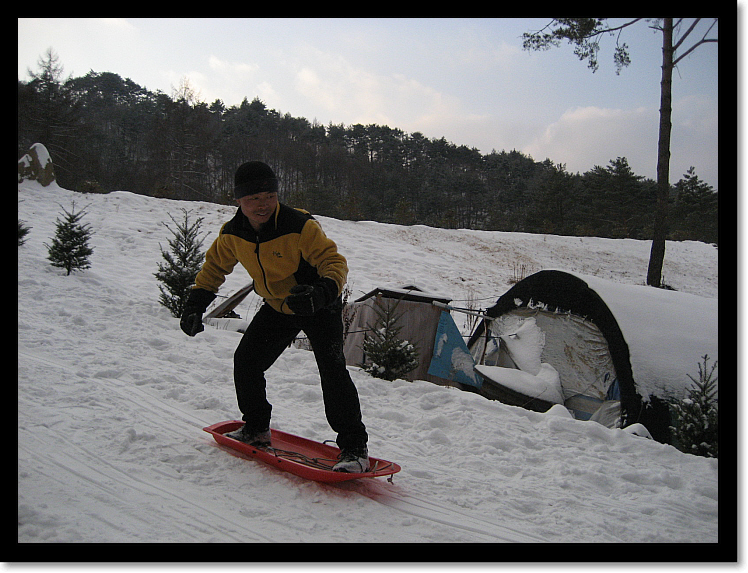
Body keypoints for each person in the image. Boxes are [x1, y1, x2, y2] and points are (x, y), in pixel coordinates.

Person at [180, 161, 369, 473]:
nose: (262, 205)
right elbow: (214, 268)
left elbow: (333, 261)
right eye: (253, 198)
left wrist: (321, 292)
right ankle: (255, 428)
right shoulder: (232, 234)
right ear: (238, 200)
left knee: (333, 373)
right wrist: (194, 305)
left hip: (317, 305)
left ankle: (354, 448)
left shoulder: (298, 225)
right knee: (247, 362)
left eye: (269, 196)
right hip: (278, 307)